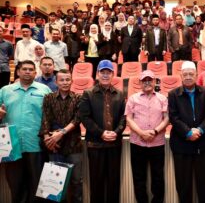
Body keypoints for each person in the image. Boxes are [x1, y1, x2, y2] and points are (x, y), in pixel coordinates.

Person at [0, 60, 51, 203]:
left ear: (36, 73)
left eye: (31, 69)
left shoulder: (44, 90)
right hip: (12, 147)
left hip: (36, 145)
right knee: (16, 186)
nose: (27, 72)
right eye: (24, 69)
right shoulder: (5, 91)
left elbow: (51, 116)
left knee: (36, 186)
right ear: (17, 72)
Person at [79, 60, 126, 203]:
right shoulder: (88, 93)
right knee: (96, 182)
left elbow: (124, 118)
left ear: (113, 75)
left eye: (108, 72)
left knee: (113, 182)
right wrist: (101, 133)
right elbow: (85, 117)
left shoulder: (120, 94)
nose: (105, 75)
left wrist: (116, 132)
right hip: (95, 144)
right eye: (102, 72)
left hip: (114, 144)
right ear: (97, 74)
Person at [168, 61, 205, 203]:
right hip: (182, 145)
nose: (188, 77)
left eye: (191, 74)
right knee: (184, 186)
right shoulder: (173, 94)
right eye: (185, 74)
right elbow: (173, 117)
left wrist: (199, 130)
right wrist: (188, 132)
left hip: (203, 144)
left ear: (196, 75)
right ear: (181, 75)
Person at [125, 70, 169, 203]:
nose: (147, 82)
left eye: (150, 80)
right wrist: (141, 133)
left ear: (155, 81)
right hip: (137, 143)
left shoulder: (162, 98)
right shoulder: (133, 98)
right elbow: (129, 119)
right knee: (139, 178)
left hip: (157, 143)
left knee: (158, 177)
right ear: (139, 83)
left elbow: (166, 118)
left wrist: (155, 131)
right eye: (144, 80)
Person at [40, 69, 82, 203]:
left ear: (72, 81)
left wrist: (61, 133)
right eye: (62, 80)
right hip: (54, 146)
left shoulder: (78, 98)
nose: (65, 82)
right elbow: (45, 119)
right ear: (56, 82)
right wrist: (47, 139)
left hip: (73, 145)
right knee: (55, 183)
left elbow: (77, 119)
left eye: (68, 79)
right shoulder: (48, 97)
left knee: (76, 182)